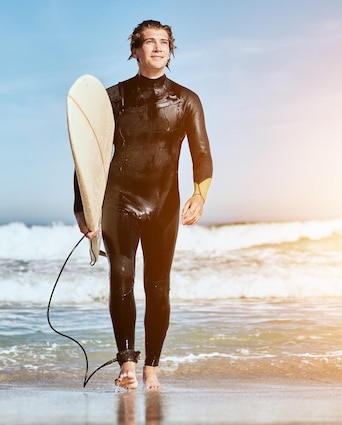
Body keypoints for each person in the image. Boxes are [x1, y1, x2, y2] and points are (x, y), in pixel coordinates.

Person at [74, 19, 213, 390]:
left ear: (170, 50)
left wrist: (199, 194)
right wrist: (82, 209)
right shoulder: (112, 98)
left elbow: (202, 154)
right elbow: (89, 155)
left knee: (158, 286)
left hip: (164, 203)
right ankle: (127, 365)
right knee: (120, 277)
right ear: (135, 51)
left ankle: (152, 366)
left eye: (164, 43)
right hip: (118, 201)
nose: (157, 48)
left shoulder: (186, 100)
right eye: (148, 42)